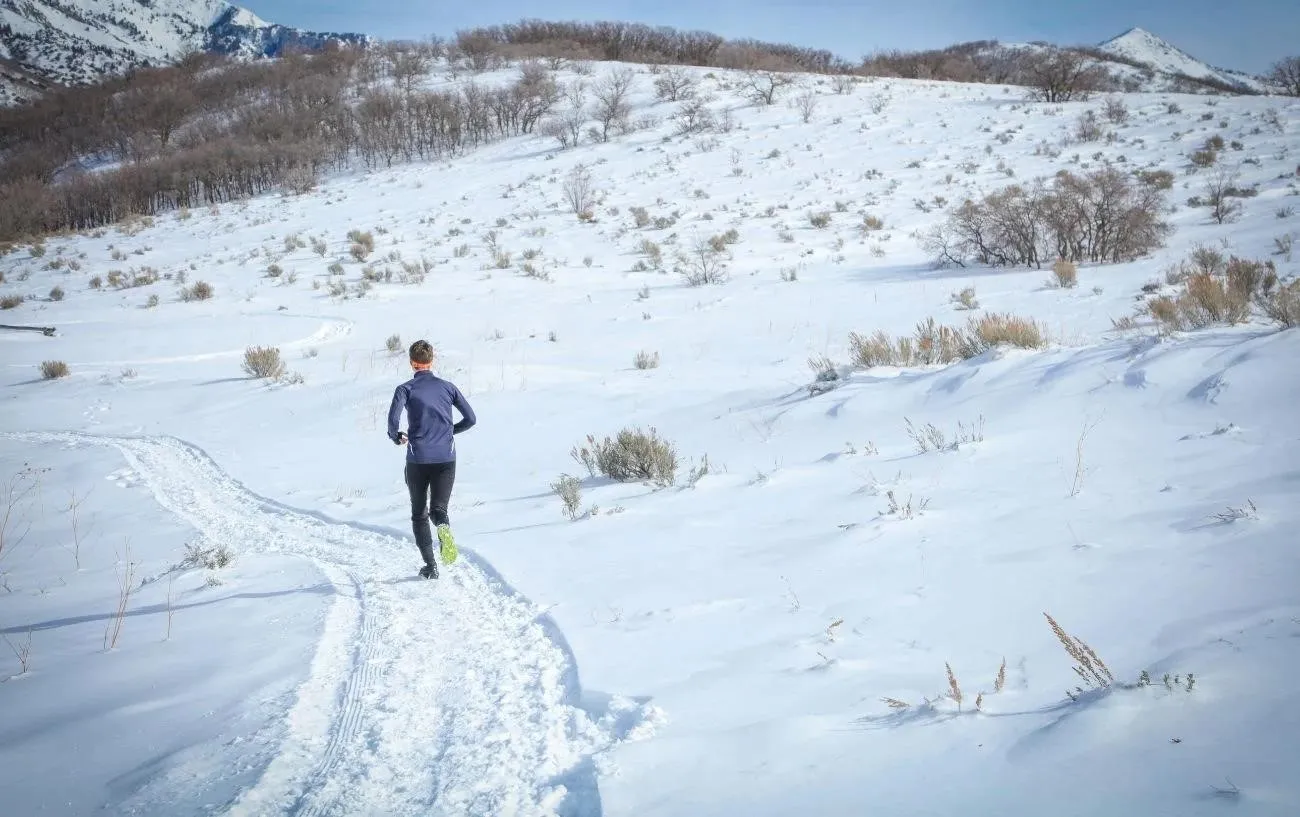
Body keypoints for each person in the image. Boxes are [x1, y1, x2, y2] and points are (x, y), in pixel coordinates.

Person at [387, 339, 476, 579]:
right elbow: (471, 419)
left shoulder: (405, 389)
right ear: (432, 360)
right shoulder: (448, 387)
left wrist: (396, 437)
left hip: (418, 459)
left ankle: (430, 566)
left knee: (419, 513)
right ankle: (443, 526)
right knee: (438, 509)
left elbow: (393, 421)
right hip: (446, 458)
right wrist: (449, 432)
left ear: (411, 363)